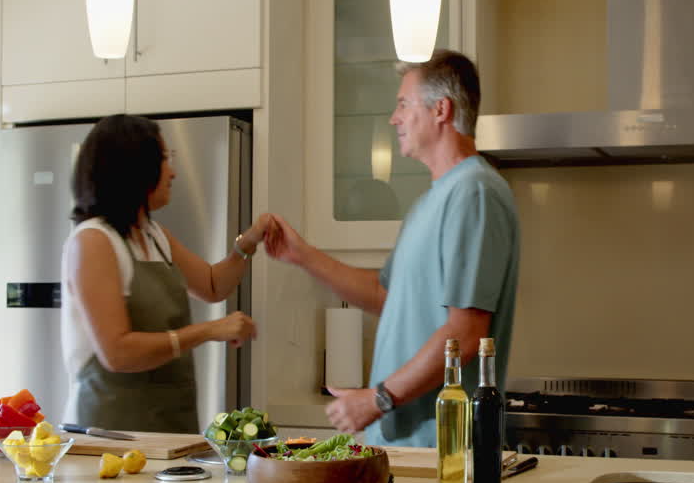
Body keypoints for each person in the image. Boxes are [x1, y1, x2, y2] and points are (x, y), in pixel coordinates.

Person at [265, 50, 520, 446]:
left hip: (441, 449)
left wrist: (379, 398)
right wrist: (303, 256)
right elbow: (386, 296)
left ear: (441, 110)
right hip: (402, 446)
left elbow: (465, 334)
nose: (393, 118)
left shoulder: (475, 193)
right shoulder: (429, 202)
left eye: (403, 104)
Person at [61, 114, 266, 433]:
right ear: (135, 167)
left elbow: (213, 285)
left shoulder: (153, 234)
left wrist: (250, 241)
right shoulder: (94, 241)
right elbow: (117, 353)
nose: (172, 172)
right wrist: (208, 330)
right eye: (163, 159)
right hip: (109, 435)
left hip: (168, 427)